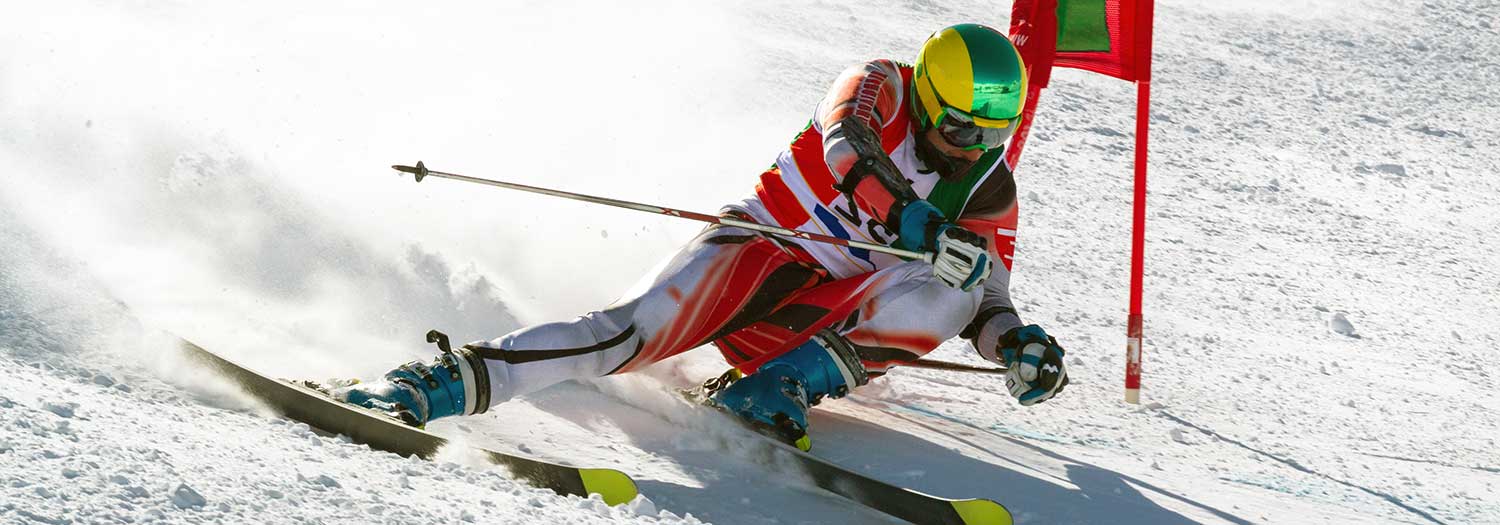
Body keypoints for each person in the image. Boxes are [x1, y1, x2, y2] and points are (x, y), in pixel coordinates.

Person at [334, 23, 1069, 451]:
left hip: (812, 325)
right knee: (625, 336)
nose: (974, 148)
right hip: (760, 250)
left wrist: (1016, 345)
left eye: (994, 133)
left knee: (961, 281)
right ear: (929, 97)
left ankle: (775, 388)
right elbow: (846, 148)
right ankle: (430, 384)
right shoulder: (879, 84)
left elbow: (987, 299)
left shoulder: (987, 186)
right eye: (961, 129)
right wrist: (910, 216)